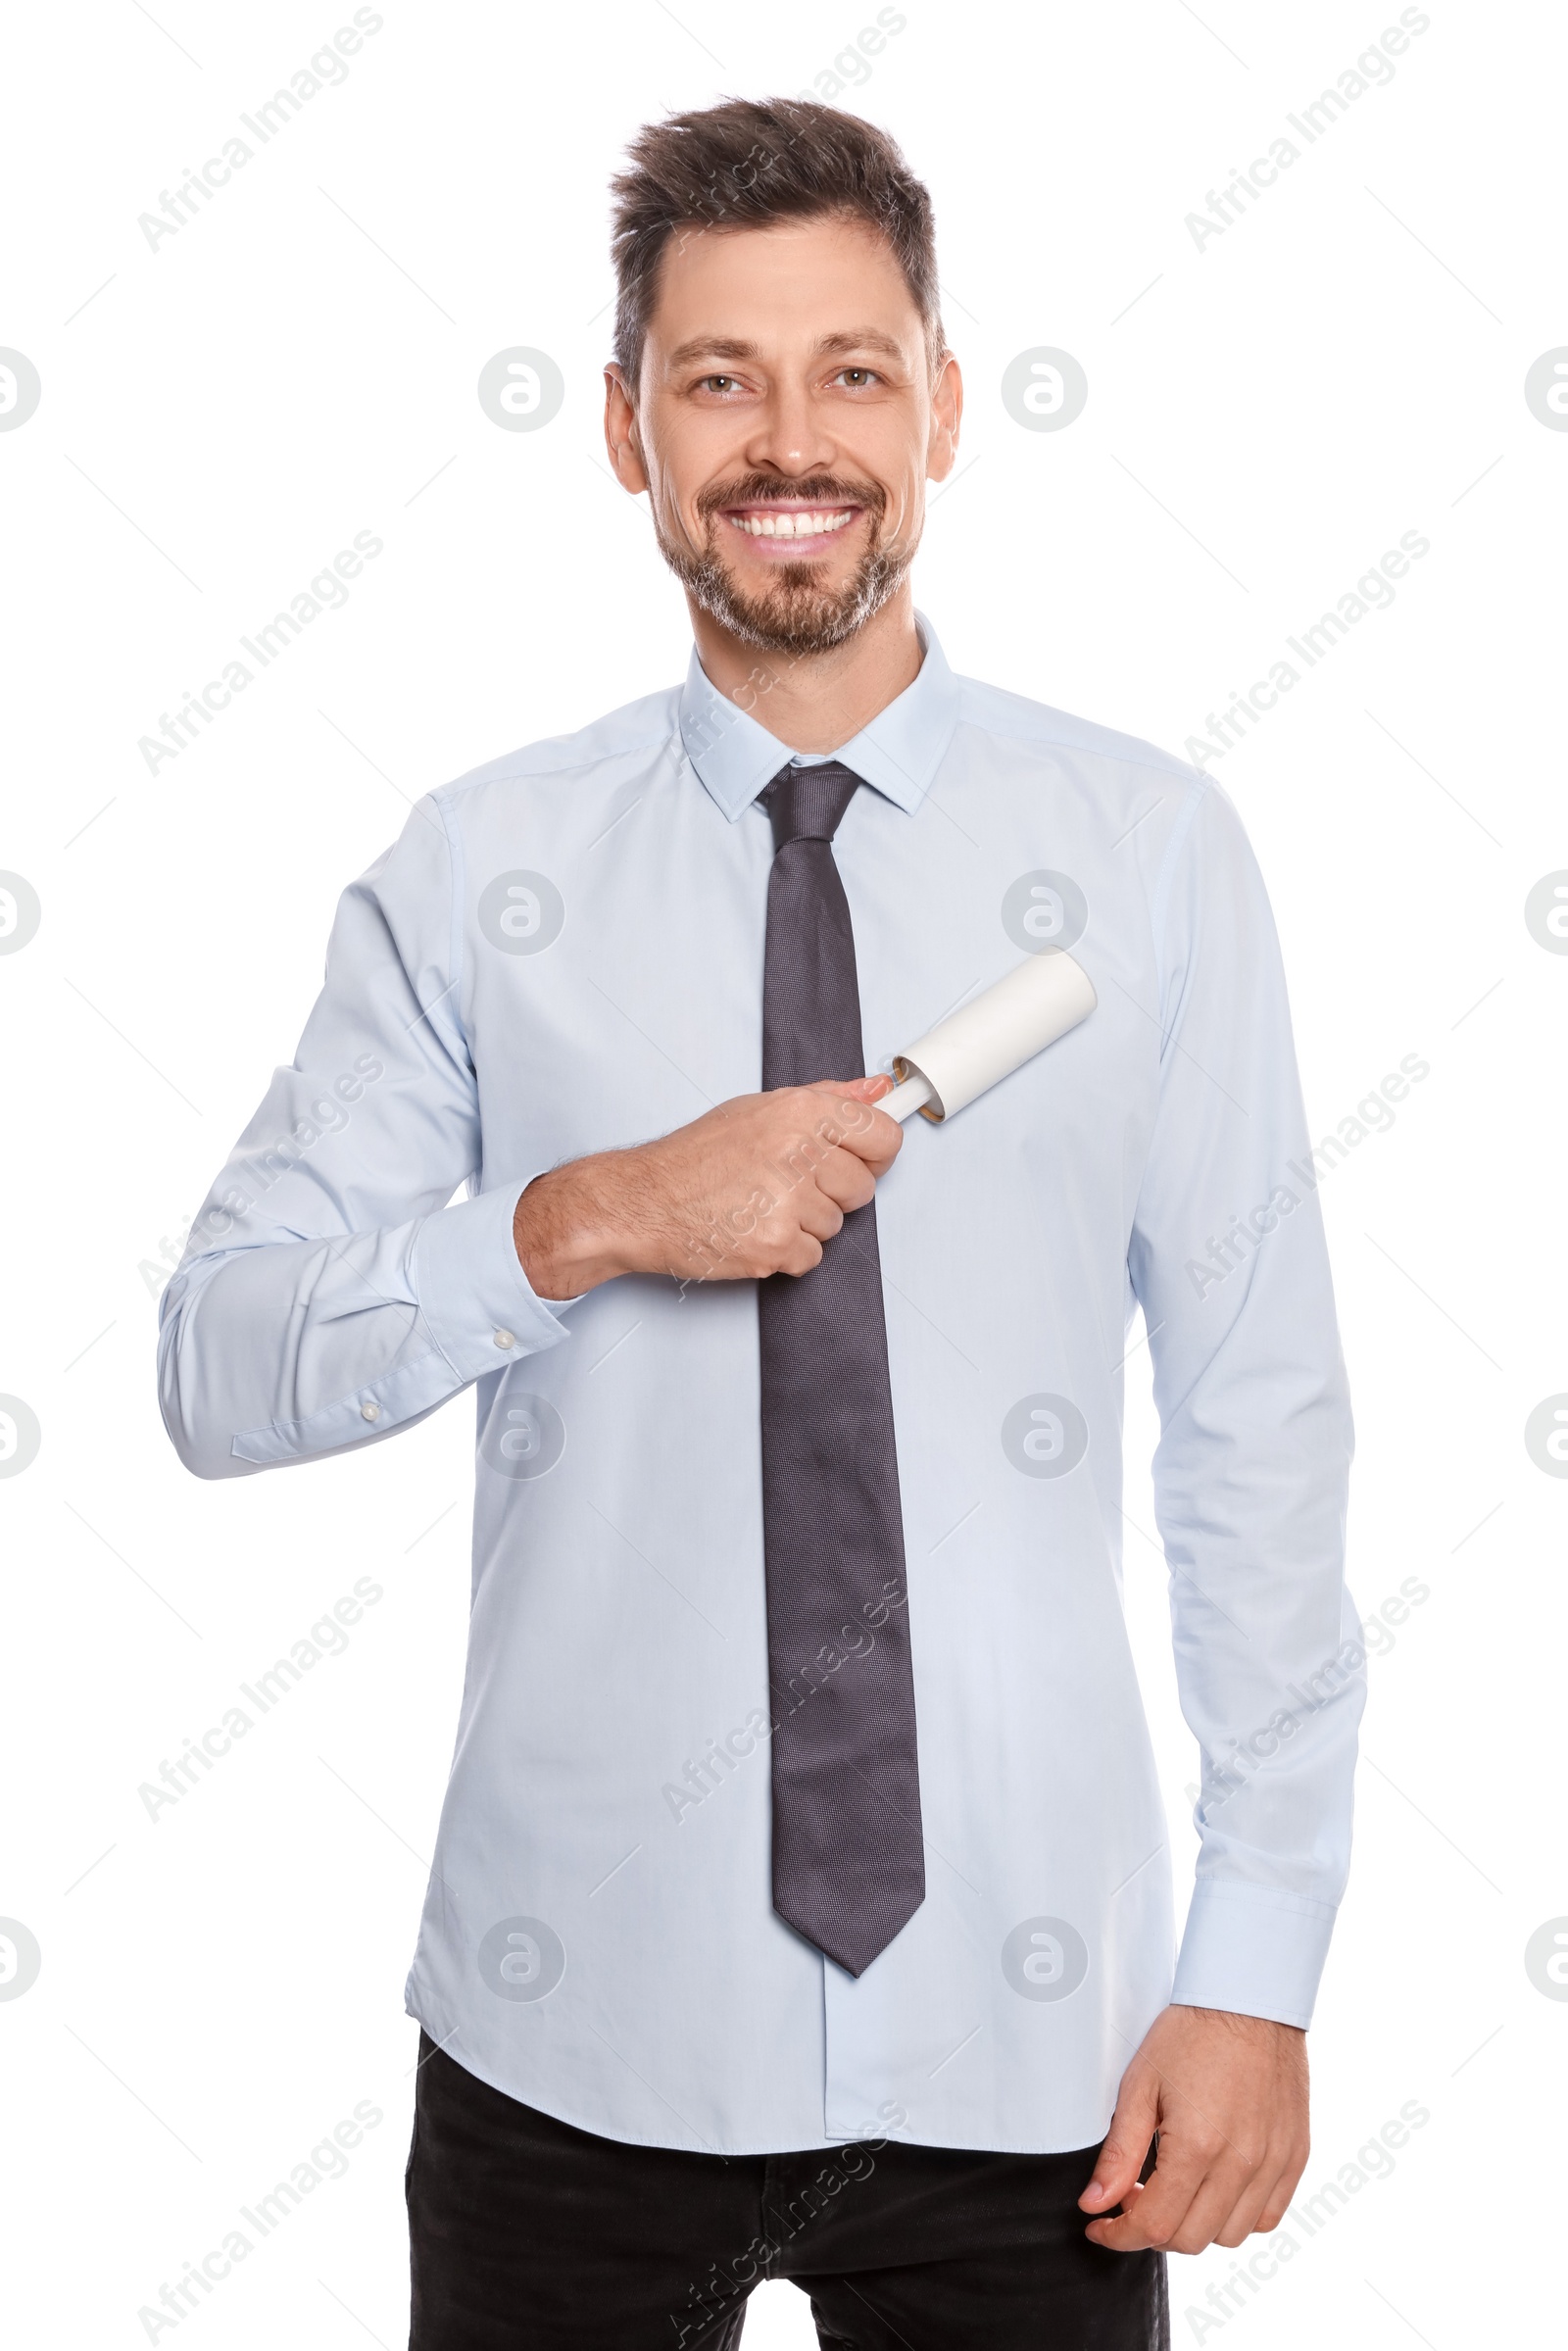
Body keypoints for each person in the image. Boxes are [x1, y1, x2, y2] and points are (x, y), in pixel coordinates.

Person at [159, 95, 1359, 2351]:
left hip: (1043, 2053)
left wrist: (1255, 1963)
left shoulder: (1148, 854)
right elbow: (216, 1365)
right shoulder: (474, 878)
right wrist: (584, 1215)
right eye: (715, 376)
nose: (785, 439)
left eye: (848, 369)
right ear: (622, 428)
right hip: (570, 2044)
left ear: (941, 406)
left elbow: (1257, 1438)